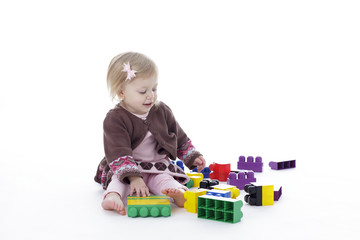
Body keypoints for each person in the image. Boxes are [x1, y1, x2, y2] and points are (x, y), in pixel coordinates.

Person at [94, 52, 206, 215]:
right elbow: (118, 150)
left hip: (157, 166)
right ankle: (113, 196)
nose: (151, 95)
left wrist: (191, 155)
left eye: (154, 88)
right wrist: (134, 177)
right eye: (142, 91)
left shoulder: (162, 110)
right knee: (119, 182)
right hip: (127, 168)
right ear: (121, 93)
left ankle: (178, 194)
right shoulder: (115, 119)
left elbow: (178, 136)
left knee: (165, 180)